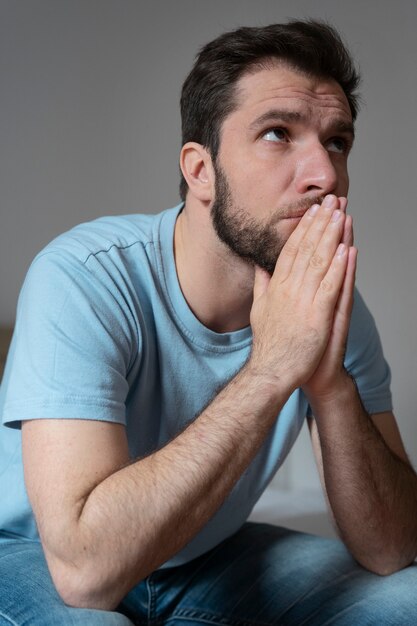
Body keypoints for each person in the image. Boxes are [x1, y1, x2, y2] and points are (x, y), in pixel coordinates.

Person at [0, 19, 416, 626]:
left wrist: (330, 385)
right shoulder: (83, 278)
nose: (325, 176)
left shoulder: (332, 308)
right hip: (31, 555)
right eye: (278, 133)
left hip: (204, 557)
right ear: (200, 170)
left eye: (337, 142)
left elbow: (393, 548)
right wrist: (274, 367)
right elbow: (85, 573)